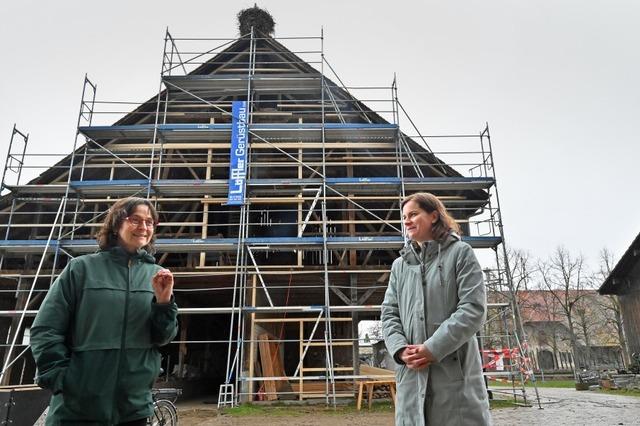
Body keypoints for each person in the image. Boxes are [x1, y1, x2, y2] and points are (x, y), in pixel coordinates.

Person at [31, 197, 178, 425]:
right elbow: (46, 327)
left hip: (133, 407)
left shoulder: (157, 275)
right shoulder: (82, 269)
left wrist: (163, 302)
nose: (143, 227)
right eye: (135, 220)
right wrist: (61, 378)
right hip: (79, 408)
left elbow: (163, 337)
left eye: (149, 222)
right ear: (117, 224)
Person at [381, 192, 491, 425]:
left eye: (413, 214)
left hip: (454, 378)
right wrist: (400, 351)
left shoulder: (460, 253)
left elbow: (473, 308)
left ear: (433, 216)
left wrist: (433, 348)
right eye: (404, 217)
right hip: (411, 376)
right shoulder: (399, 267)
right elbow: (389, 314)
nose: (406, 221)